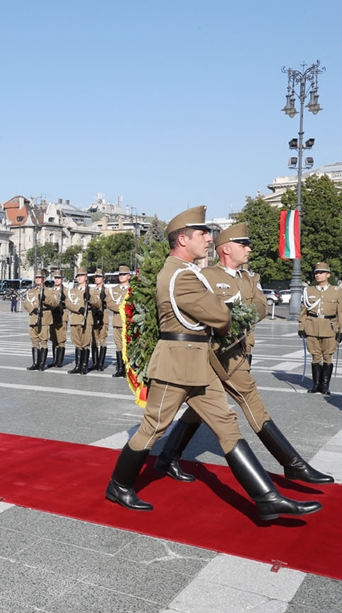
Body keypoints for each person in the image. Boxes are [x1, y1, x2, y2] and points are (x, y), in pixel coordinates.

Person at [104, 206, 320, 522]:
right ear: (182, 238)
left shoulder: (186, 271)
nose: (209, 238)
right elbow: (220, 316)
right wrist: (227, 311)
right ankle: (118, 485)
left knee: (227, 425)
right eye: (202, 233)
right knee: (153, 429)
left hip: (198, 364)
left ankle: (267, 498)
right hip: (176, 366)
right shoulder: (180, 275)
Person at [155, 223, 333, 485]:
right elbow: (207, 312)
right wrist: (231, 313)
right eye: (243, 245)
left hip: (242, 348)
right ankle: (292, 463)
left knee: (197, 408)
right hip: (218, 353)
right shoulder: (206, 275)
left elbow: (260, 307)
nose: (249, 249)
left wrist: (236, 312)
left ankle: (168, 457)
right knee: (252, 401)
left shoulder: (250, 278)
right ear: (226, 249)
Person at [299, 261, 342, 395]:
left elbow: (341, 313)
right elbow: (304, 310)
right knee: (315, 356)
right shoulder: (309, 290)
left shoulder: (336, 291)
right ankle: (316, 384)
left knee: (328, 357)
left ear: (328, 275)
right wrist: (301, 326)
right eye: (316, 273)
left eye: (321, 272)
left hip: (330, 327)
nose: (318, 275)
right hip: (312, 326)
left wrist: (341, 330)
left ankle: (325, 385)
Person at [65, 268, 102, 375]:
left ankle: (84, 365)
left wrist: (90, 298)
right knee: (77, 343)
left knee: (85, 343)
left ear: (86, 277)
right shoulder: (72, 291)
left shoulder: (92, 290)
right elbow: (67, 303)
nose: (79, 278)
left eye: (81, 275)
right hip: (75, 318)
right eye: (78, 276)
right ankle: (78, 365)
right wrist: (78, 309)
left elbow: (98, 304)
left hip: (87, 318)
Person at [25, 271, 58, 370]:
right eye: (36, 278)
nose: (37, 279)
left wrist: (45, 299)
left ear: (44, 279)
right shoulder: (31, 291)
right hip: (33, 317)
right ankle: (35, 363)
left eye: (40, 278)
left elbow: (54, 303)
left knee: (43, 340)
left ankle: (42, 364)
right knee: (34, 340)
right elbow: (26, 303)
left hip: (44, 317)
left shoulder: (49, 291)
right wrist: (32, 309)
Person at [105, 265, 132, 377]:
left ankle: (128, 369)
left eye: (124, 274)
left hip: (129, 321)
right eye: (120, 275)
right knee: (118, 345)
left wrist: (124, 308)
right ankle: (120, 368)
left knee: (129, 346)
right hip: (117, 321)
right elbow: (110, 303)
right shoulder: (113, 290)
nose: (121, 276)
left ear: (129, 276)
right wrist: (122, 308)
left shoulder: (132, 289)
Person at [47, 271, 67, 368]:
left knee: (61, 339)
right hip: (52, 316)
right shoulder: (51, 291)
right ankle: (54, 360)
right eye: (55, 278)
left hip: (62, 316)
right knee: (53, 339)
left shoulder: (66, 291)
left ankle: (60, 361)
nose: (57, 280)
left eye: (59, 278)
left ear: (62, 279)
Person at [89, 269, 109, 371]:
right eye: (96, 277)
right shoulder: (91, 290)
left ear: (103, 278)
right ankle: (95, 363)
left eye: (99, 277)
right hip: (93, 315)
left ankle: (101, 363)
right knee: (94, 340)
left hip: (103, 316)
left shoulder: (106, 290)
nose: (97, 279)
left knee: (102, 339)